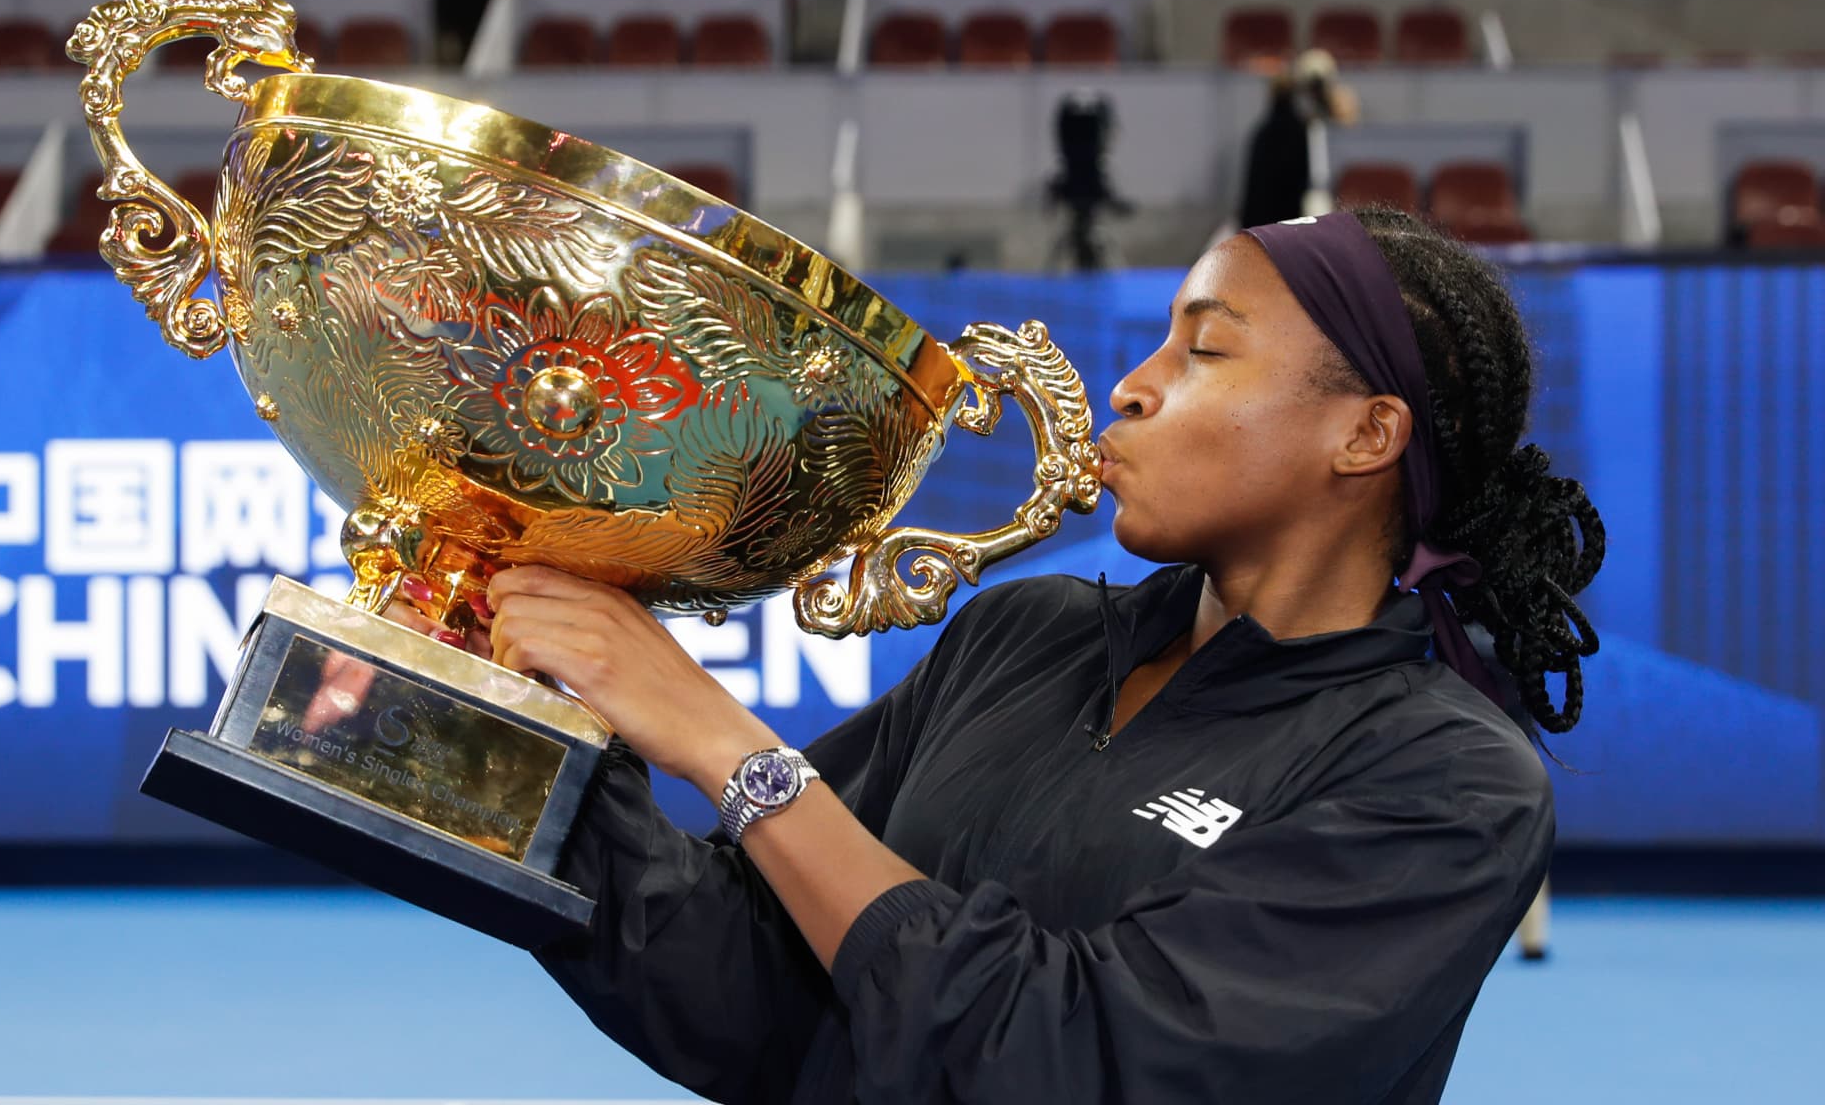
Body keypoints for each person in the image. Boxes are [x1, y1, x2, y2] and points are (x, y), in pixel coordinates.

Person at [411, 206, 1605, 1103]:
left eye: (1205, 351)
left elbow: (1075, 1060)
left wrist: (735, 751)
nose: (1130, 389)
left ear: (1365, 434)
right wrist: (518, 727)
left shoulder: (1446, 781)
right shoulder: (1027, 634)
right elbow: (758, 991)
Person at [1238, 49, 1359, 230]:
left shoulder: (1273, 129)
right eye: (1313, 88)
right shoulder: (1291, 132)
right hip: (1277, 229)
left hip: (1268, 229)